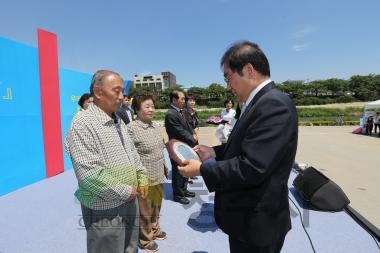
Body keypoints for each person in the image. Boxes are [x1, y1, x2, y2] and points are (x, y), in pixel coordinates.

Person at [178, 41, 298, 253]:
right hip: (247, 218)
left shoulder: (273, 104)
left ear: (249, 70)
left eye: (228, 77)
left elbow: (252, 166)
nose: (227, 86)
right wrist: (215, 151)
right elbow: (246, 146)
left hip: (258, 222)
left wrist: (201, 169)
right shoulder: (257, 103)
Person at [65, 70, 149, 253]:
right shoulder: (82, 124)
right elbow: (90, 175)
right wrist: (126, 191)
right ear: (98, 92)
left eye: (122, 92)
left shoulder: (117, 119)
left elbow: (132, 153)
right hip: (105, 207)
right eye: (116, 91)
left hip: (129, 200)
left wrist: (141, 175)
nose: (122, 97)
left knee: (130, 247)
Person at [127, 93, 167, 252]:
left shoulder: (155, 126)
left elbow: (159, 149)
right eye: (147, 106)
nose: (151, 109)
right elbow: (129, 155)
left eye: (153, 106)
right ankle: (144, 239)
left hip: (159, 173)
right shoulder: (131, 128)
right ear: (137, 109)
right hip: (143, 177)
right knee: (144, 211)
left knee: (156, 207)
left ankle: (155, 230)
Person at [164, 90, 197, 205]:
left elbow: (188, 126)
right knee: (178, 171)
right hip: (176, 147)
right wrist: (192, 138)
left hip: (184, 146)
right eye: (182, 99)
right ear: (174, 100)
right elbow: (178, 131)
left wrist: (193, 133)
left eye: (184, 99)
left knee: (184, 168)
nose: (184, 101)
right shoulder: (171, 114)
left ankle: (184, 189)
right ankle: (178, 194)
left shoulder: (181, 112)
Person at [183, 94, 200, 184]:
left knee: (194, 154)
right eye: (190, 100)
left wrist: (196, 132)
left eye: (193, 100)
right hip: (188, 137)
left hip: (195, 137)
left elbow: (197, 124)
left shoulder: (195, 112)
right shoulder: (184, 113)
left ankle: (192, 172)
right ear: (186, 102)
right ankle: (187, 175)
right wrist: (193, 133)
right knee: (187, 154)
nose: (192, 102)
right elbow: (187, 126)